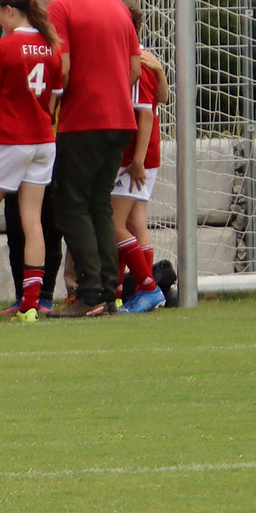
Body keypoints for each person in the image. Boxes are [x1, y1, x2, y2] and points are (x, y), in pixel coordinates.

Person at [41, 0, 144, 318]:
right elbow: (135, 68)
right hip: (121, 121)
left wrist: (56, 101)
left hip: (83, 120)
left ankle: (90, 292)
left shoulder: (61, 8)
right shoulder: (117, 6)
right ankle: (108, 292)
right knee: (100, 203)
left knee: (69, 205)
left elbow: (63, 69)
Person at [0, 0, 61, 322]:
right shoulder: (52, 44)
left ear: (10, 10)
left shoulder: (2, 48)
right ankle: (31, 305)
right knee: (32, 219)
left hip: (10, 139)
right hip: (43, 140)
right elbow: (54, 97)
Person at [112, 45, 170, 314]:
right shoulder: (146, 59)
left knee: (114, 224)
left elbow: (146, 114)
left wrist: (136, 161)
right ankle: (135, 292)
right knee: (136, 222)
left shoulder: (137, 62)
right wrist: (160, 71)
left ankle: (147, 288)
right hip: (144, 153)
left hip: (138, 156)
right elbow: (164, 97)